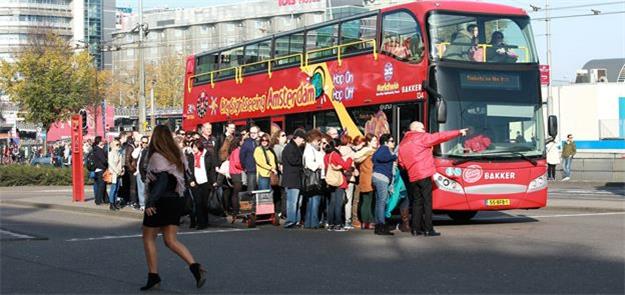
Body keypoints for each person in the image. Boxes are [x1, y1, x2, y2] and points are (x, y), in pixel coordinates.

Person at [140, 125, 206, 291]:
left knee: (148, 238)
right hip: (176, 199)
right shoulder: (178, 155)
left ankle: (153, 276)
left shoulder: (156, 157)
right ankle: (194, 266)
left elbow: (161, 181)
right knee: (170, 240)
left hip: (160, 200)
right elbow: (183, 177)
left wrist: (150, 202)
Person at [398, 121, 467, 237]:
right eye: (422, 128)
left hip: (412, 175)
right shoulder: (422, 137)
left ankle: (415, 229)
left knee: (416, 203)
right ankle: (428, 229)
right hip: (424, 173)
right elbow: (440, 137)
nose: (425, 130)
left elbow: (401, 162)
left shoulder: (403, 142)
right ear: (416, 129)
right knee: (427, 202)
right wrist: (459, 132)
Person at [324, 139, 353, 232]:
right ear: (337, 146)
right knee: (338, 203)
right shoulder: (335, 155)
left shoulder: (326, 156)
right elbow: (345, 166)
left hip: (331, 181)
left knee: (332, 202)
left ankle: (331, 223)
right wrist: (350, 158)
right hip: (339, 181)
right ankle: (338, 224)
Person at [371, 134, 397, 236]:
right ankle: (381, 225)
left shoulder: (381, 149)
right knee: (382, 202)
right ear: (386, 142)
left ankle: (378, 225)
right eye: (392, 141)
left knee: (378, 202)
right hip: (382, 178)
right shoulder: (384, 149)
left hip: (377, 177)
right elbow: (380, 157)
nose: (393, 143)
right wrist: (394, 156)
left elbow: (374, 158)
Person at [189, 139, 216, 230]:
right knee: (198, 202)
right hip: (195, 183)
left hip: (206, 182)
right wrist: (190, 180)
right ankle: (200, 223)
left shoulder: (207, 155)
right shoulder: (190, 156)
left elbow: (211, 169)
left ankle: (205, 221)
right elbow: (188, 170)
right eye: (192, 147)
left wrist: (214, 181)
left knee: (204, 203)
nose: (193, 149)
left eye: (195, 147)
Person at [281, 129, 306, 228]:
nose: (303, 142)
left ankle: (296, 220)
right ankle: (290, 221)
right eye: (302, 139)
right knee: (292, 201)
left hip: (296, 178)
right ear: (298, 138)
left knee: (297, 202)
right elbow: (293, 161)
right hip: (292, 179)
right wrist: (303, 161)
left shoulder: (294, 147)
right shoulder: (290, 148)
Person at [353, 134, 377, 230]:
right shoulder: (371, 152)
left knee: (365, 201)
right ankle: (370, 221)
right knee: (370, 201)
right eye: (374, 140)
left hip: (363, 178)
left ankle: (364, 222)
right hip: (371, 178)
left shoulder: (361, 153)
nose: (376, 142)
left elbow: (356, 160)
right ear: (369, 142)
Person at [302, 129, 325, 229]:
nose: (319, 142)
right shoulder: (310, 150)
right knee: (315, 201)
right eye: (318, 140)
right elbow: (310, 164)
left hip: (310, 178)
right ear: (313, 139)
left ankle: (309, 222)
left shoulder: (310, 149)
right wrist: (319, 165)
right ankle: (314, 222)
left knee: (311, 201)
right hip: (314, 178)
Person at [337, 134, 357, 229]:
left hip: (339, 178)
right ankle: (347, 221)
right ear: (349, 142)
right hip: (349, 178)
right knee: (348, 201)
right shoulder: (351, 153)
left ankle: (337, 220)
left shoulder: (337, 151)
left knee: (339, 199)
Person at [271, 130, 288, 218]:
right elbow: (280, 159)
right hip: (280, 174)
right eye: (283, 135)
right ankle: (282, 211)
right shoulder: (278, 147)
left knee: (280, 193)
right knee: (282, 193)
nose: (285, 137)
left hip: (281, 173)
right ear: (278, 137)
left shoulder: (283, 146)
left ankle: (279, 210)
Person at [228, 135, 244, 217]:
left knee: (236, 192)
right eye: (243, 141)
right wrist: (244, 167)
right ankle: (236, 211)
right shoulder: (237, 151)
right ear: (239, 142)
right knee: (236, 192)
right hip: (236, 173)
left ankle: (236, 210)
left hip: (235, 173)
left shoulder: (235, 150)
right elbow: (237, 163)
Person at [240, 125, 259, 191]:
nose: (253, 134)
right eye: (251, 133)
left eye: (254, 133)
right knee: (251, 189)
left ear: (258, 133)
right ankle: (251, 201)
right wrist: (245, 167)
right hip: (251, 169)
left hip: (261, 170)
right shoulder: (246, 143)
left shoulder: (261, 142)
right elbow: (242, 156)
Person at [134, 136, 150, 210]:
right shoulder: (139, 150)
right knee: (141, 188)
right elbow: (134, 156)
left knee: (147, 189)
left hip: (147, 171)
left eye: (146, 142)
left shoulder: (149, 150)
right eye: (143, 142)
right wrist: (139, 147)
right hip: (139, 171)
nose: (144, 144)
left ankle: (147, 203)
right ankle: (142, 204)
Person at [107, 139, 124, 211]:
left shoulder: (119, 153)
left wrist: (122, 170)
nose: (118, 146)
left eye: (119, 144)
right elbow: (111, 164)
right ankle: (111, 204)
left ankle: (115, 202)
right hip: (114, 173)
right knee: (113, 189)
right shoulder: (111, 153)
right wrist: (117, 171)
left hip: (119, 173)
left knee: (117, 189)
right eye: (117, 144)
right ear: (113, 145)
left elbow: (121, 163)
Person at [92, 136, 107, 205]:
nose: (103, 141)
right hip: (101, 169)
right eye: (102, 140)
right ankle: (98, 200)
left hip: (97, 169)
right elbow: (103, 160)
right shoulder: (99, 150)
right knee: (101, 186)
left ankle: (106, 199)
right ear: (99, 142)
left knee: (101, 185)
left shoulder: (95, 149)